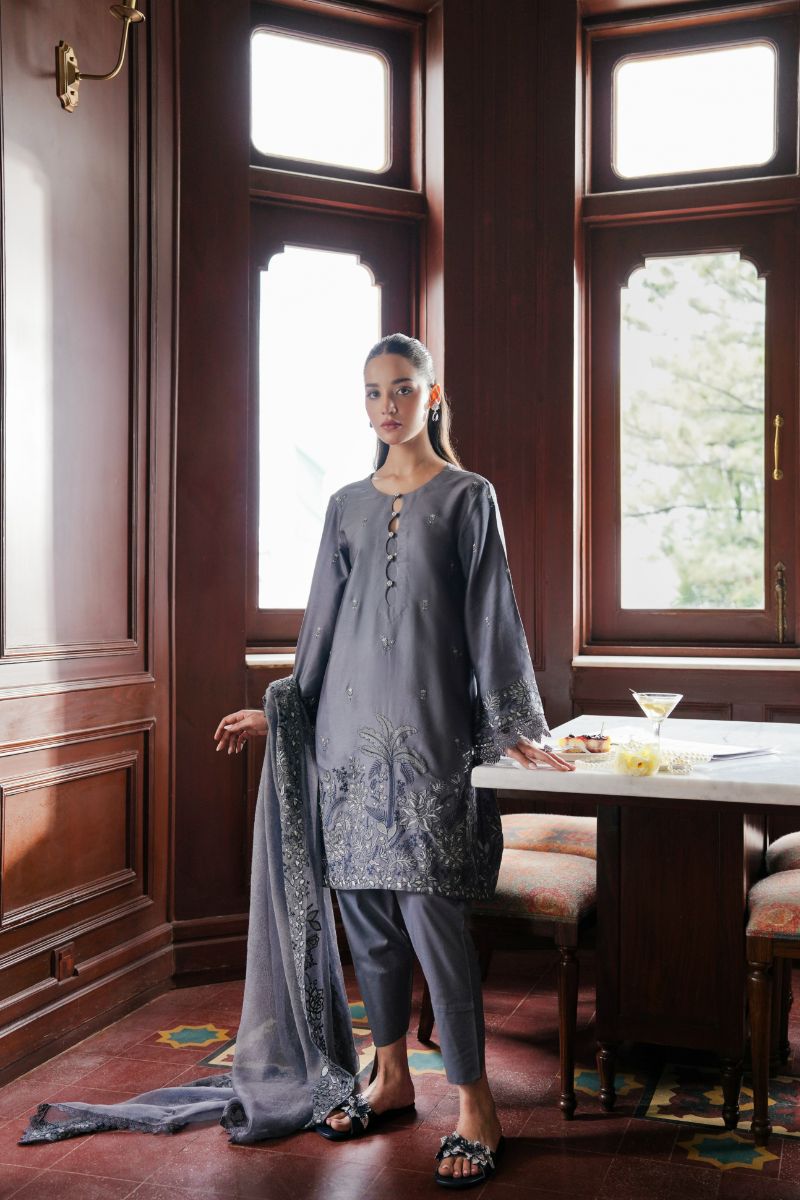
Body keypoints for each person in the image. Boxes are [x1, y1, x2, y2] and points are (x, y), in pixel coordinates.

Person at [216, 333, 573, 1186]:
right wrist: (283, 709)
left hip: (432, 741)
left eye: (404, 389)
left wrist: (515, 721)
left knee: (432, 919)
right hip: (345, 741)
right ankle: (391, 1077)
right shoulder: (344, 505)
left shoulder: (468, 496)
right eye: (375, 391)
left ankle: (476, 1104)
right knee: (368, 918)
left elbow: (493, 615)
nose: (388, 406)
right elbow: (322, 625)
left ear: (431, 396)